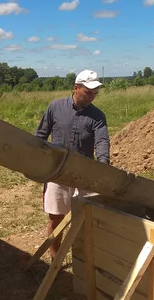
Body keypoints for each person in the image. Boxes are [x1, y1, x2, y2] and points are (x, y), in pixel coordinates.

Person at [35, 69, 110, 259]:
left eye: (95, 93)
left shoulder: (98, 116)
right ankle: (55, 259)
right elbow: (40, 136)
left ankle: (85, 261)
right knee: (56, 218)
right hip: (57, 173)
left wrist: (103, 164)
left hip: (84, 175)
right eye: (88, 92)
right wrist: (36, 161)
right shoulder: (55, 107)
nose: (93, 96)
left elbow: (102, 141)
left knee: (86, 219)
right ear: (76, 88)